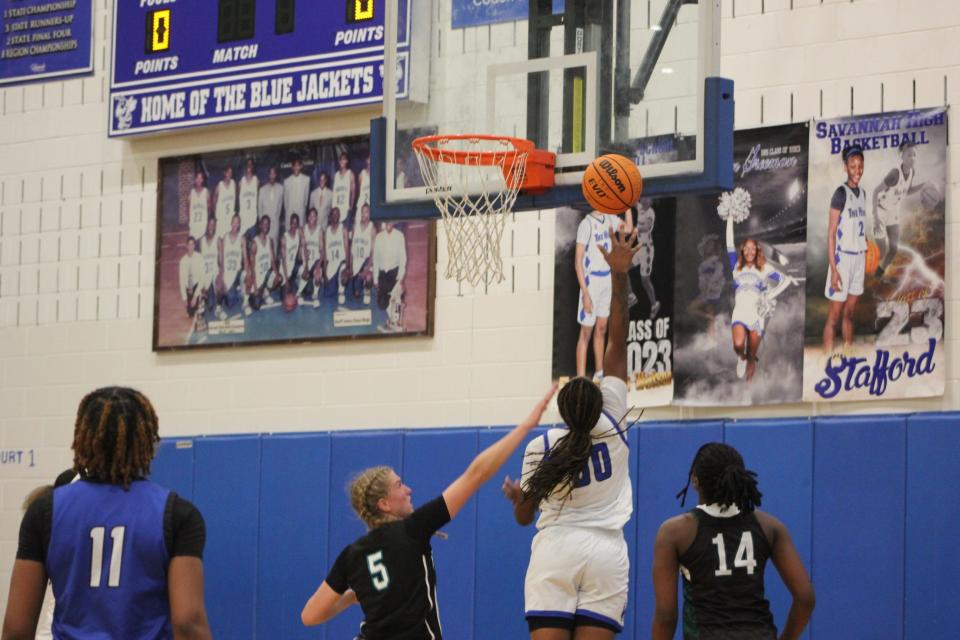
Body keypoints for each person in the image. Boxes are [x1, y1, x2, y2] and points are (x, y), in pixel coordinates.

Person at [301, 384, 558, 639]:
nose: (408, 489)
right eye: (399, 485)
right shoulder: (413, 528)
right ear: (384, 504)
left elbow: (310, 616)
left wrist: (349, 598)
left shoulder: (352, 555)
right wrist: (526, 426)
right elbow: (476, 474)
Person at [503, 228, 639, 639]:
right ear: (599, 401)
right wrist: (619, 275)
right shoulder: (613, 421)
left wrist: (522, 497)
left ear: (561, 411)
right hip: (606, 552)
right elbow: (618, 337)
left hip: (556, 551)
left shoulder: (541, 445)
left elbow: (524, 518)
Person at [2, 387, 211, 640]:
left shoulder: (45, 511)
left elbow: (16, 629)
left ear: (82, 438)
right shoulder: (177, 514)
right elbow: (188, 622)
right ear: (147, 440)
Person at [651, 443, 815, 640]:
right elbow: (805, 598)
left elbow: (666, 616)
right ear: (741, 477)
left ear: (695, 479)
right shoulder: (770, 526)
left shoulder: (674, 532)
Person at [725, 216, 795, 381]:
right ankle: (741, 358)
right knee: (738, 345)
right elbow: (729, 244)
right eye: (746, 248)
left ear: (757, 251)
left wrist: (769, 295)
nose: (749, 252)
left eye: (753, 249)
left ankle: (750, 362)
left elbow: (785, 280)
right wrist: (729, 217)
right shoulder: (736, 267)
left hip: (757, 314)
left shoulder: (764, 268)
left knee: (752, 352)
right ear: (742, 250)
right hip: (741, 312)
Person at [823, 144, 867, 359]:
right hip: (842, 261)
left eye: (860, 165)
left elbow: (857, 228)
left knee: (849, 314)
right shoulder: (840, 194)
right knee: (834, 315)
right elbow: (831, 233)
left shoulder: (863, 193)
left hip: (859, 259)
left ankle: (849, 356)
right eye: (853, 165)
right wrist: (833, 269)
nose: (857, 170)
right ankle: (825, 360)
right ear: (845, 168)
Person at [872, 140, 929, 279]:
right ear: (902, 156)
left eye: (914, 155)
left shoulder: (912, 172)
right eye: (909, 155)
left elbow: (906, 191)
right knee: (882, 250)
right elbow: (875, 191)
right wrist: (875, 216)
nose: (912, 158)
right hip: (881, 211)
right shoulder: (894, 174)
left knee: (893, 250)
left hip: (893, 212)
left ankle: (878, 276)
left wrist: (923, 185)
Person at [575, 211, 620, 381]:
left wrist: (628, 206)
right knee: (586, 331)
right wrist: (585, 293)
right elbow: (577, 260)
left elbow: (629, 228)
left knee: (602, 328)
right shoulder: (586, 224)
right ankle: (580, 379)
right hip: (591, 279)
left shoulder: (610, 218)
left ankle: (599, 373)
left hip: (606, 277)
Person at [628, 199, 660, 319]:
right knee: (623, 267)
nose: (646, 200)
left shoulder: (650, 212)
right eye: (645, 197)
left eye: (649, 198)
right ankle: (631, 296)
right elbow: (632, 200)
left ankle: (654, 304)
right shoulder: (640, 207)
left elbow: (647, 227)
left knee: (645, 281)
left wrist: (634, 229)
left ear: (652, 201)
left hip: (647, 251)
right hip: (639, 249)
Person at [373, 221, 407, 332]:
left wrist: (401, 278)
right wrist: (375, 278)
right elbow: (376, 259)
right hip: (383, 275)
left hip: (394, 273)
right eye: (386, 221)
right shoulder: (379, 237)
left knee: (396, 296)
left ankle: (395, 322)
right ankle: (392, 319)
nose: (389, 224)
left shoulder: (399, 236)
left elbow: (403, 258)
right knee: (382, 305)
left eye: (391, 221)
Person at [247, 215, 279, 313]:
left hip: (266, 274)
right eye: (264, 224)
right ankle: (256, 293)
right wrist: (256, 287)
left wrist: (277, 274)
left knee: (279, 278)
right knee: (256, 305)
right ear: (260, 225)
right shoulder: (254, 243)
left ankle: (266, 292)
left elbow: (273, 261)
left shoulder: (270, 240)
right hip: (258, 278)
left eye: (267, 224)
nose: (266, 226)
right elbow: (252, 268)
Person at [220, 213, 249, 315]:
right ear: (231, 223)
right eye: (234, 222)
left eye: (238, 222)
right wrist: (222, 276)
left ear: (239, 224)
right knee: (230, 303)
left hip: (237, 273)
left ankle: (245, 303)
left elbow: (245, 257)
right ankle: (237, 290)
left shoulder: (242, 239)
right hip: (228, 273)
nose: (235, 224)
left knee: (247, 276)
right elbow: (222, 258)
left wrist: (247, 273)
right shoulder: (225, 238)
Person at [350, 204, 376, 305]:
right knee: (355, 294)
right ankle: (358, 282)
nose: (364, 214)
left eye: (366, 212)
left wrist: (367, 267)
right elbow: (352, 246)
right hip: (356, 261)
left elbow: (373, 251)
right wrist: (350, 266)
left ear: (370, 214)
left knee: (368, 276)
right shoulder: (355, 226)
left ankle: (367, 290)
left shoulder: (372, 228)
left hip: (366, 261)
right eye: (362, 211)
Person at [323, 207, 350, 306]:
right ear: (330, 216)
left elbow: (347, 249)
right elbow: (325, 254)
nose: (335, 216)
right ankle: (335, 283)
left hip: (342, 262)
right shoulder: (327, 231)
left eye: (337, 214)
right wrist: (325, 272)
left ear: (339, 216)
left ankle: (341, 290)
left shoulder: (343, 229)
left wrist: (347, 267)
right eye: (333, 214)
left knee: (343, 279)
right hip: (332, 263)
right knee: (327, 293)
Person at [299, 207, 324, 308]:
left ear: (316, 217)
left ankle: (315, 294)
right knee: (305, 284)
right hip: (306, 262)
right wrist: (306, 266)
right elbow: (304, 247)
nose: (312, 217)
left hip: (315, 261)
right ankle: (299, 292)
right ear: (307, 217)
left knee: (318, 273)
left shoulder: (319, 230)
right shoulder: (303, 229)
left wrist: (319, 265)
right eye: (310, 215)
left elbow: (322, 250)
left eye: (314, 215)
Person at [178, 235, 205, 319]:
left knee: (200, 311)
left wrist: (195, 296)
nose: (190, 247)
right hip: (188, 288)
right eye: (189, 245)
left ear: (195, 245)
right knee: (190, 313)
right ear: (186, 246)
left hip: (197, 285)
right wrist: (184, 298)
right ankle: (194, 304)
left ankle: (202, 298)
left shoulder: (200, 258)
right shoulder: (183, 261)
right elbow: (182, 281)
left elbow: (202, 279)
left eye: (192, 244)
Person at [258, 166, 284, 250]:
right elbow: (260, 208)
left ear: (276, 175)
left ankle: (274, 261)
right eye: (271, 174)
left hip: (275, 222)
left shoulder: (281, 188)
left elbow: (280, 206)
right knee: (265, 244)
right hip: (265, 224)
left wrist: (276, 218)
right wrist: (262, 224)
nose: (272, 176)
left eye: (274, 174)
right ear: (268, 175)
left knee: (275, 244)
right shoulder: (262, 190)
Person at [284, 158, 311, 233]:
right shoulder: (286, 181)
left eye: (298, 166)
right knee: (289, 234)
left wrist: (302, 209)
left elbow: (306, 200)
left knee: (301, 233)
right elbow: (285, 201)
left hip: (301, 211)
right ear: (292, 167)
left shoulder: (307, 180)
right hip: (290, 212)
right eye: (294, 166)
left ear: (301, 166)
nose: (296, 168)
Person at [279, 212, 303, 295]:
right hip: (285, 270)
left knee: (308, 290)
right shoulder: (284, 238)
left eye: (296, 223)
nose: (294, 225)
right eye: (292, 223)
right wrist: (286, 280)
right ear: (290, 223)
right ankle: (285, 282)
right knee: (285, 296)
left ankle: (296, 280)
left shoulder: (299, 233)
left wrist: (300, 250)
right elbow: (283, 262)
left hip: (293, 268)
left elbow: (302, 243)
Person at [212, 165, 237, 239]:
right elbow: (214, 200)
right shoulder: (219, 186)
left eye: (231, 172)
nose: (229, 174)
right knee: (220, 240)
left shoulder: (233, 184)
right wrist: (215, 215)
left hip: (230, 219)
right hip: (221, 219)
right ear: (224, 173)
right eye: (228, 172)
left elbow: (236, 200)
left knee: (229, 241)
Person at [238, 159, 260, 239]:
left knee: (253, 246)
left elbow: (258, 199)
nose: (249, 166)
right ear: (245, 166)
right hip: (243, 218)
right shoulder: (241, 182)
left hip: (253, 218)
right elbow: (237, 201)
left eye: (251, 164)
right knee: (242, 244)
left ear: (253, 167)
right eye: (247, 164)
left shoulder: (256, 181)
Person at [333, 152, 357, 223]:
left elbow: (353, 193)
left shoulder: (350, 174)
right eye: (340, 159)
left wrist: (351, 208)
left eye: (343, 159)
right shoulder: (336, 175)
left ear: (347, 161)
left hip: (345, 208)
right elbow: (334, 193)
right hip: (336, 207)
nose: (341, 161)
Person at [187, 171, 211, 243]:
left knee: (202, 247)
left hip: (203, 225)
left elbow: (209, 208)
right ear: (195, 179)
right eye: (197, 178)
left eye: (201, 178)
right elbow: (187, 209)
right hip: (194, 225)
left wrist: (206, 220)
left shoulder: (206, 192)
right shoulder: (191, 193)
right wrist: (189, 221)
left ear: (203, 180)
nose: (199, 180)